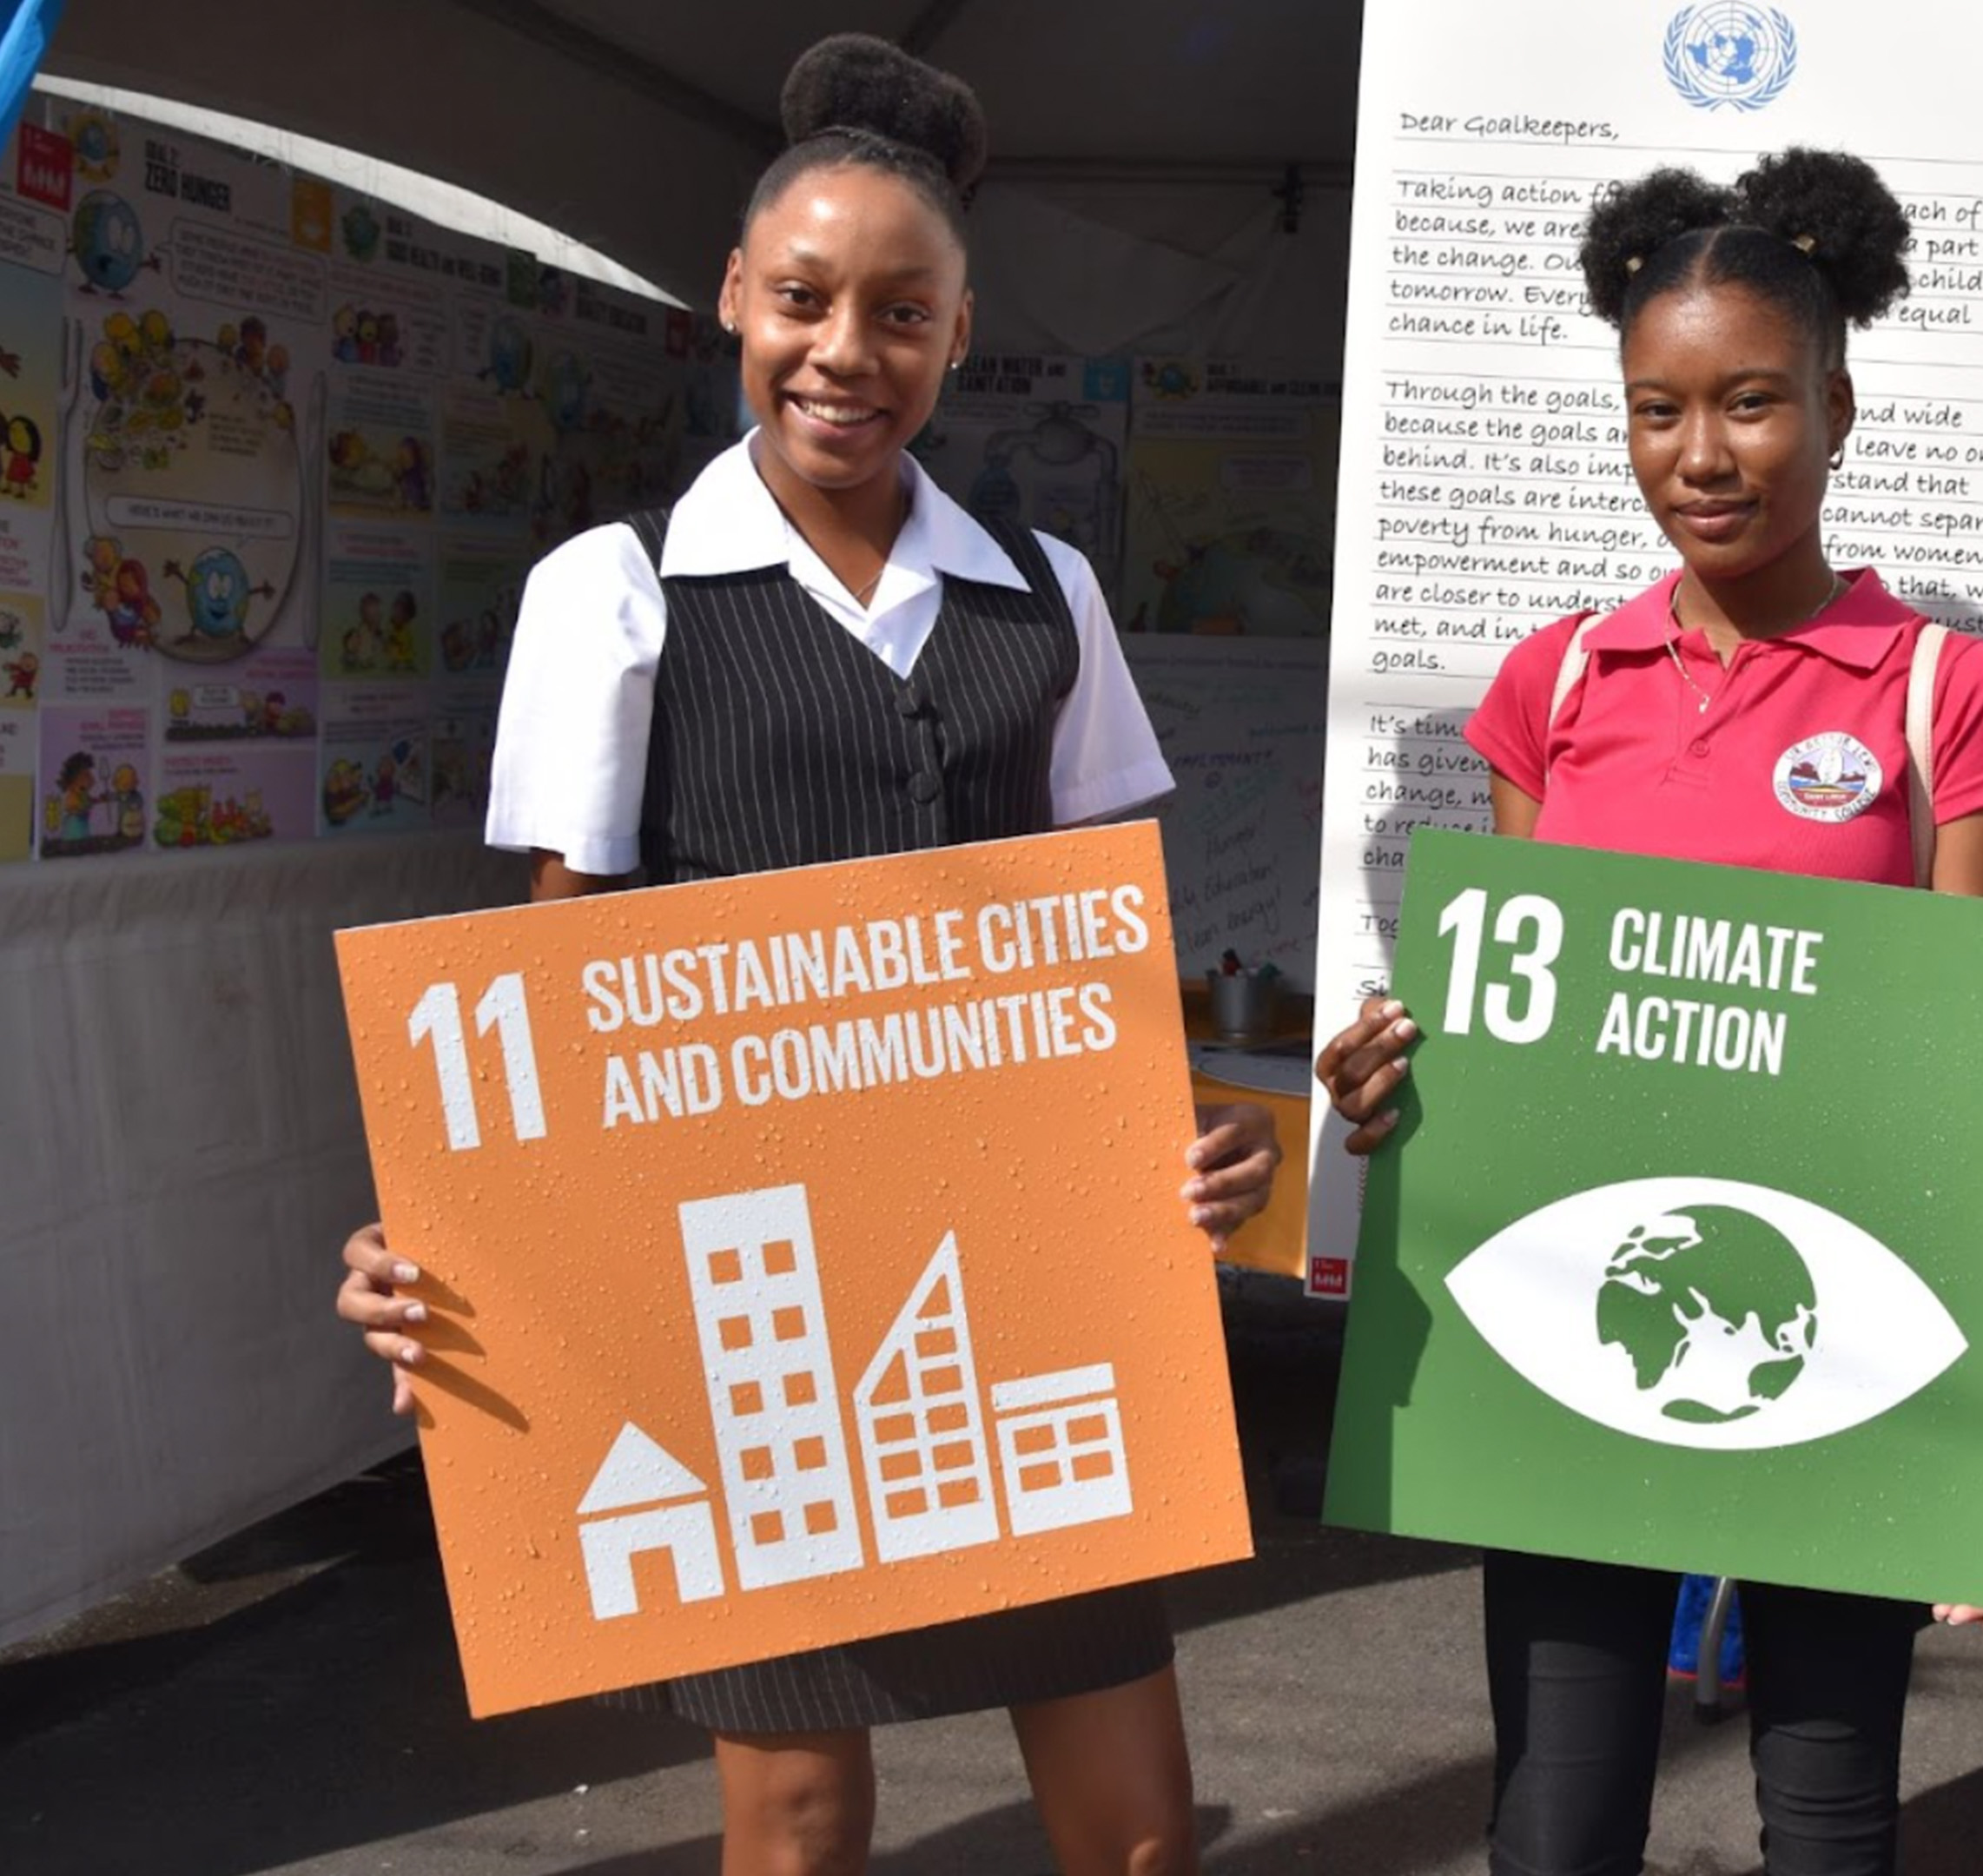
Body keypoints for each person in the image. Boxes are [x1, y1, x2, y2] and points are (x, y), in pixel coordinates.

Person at [330, 36, 1277, 1876]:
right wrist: (445, 1244)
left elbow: (1100, 956)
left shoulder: (1046, 589)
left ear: (961, 331)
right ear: (734, 302)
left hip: (1023, 1293)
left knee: (1141, 1836)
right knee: (796, 1828)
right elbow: (553, 996)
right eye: (806, 300)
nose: (849, 352)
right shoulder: (615, 591)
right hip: (741, 1302)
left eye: (902, 313)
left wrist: (1193, 1126)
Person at [1312, 149, 1983, 1876]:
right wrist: (1396, 1072)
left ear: (1838, 402)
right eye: (1659, 412)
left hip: (1846, 1338)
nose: (1703, 458)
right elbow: (1516, 1037)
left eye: (1750, 405)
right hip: (1585, 1327)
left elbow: (1982, 1110)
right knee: (1558, 1816)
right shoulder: (1553, 684)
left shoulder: (1949, 699)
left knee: (1826, 1819)